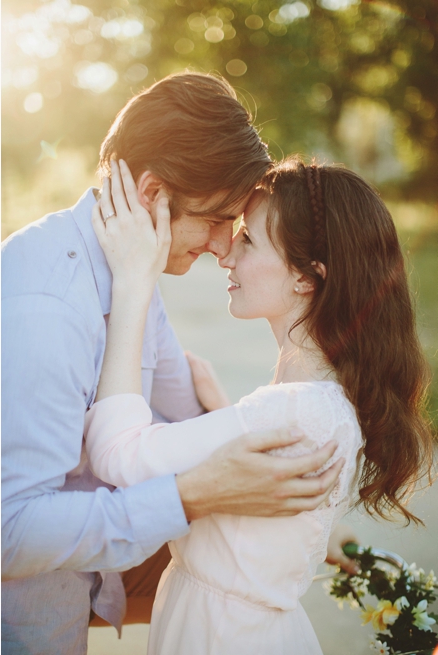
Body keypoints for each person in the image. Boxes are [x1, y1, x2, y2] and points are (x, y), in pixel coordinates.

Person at [1, 72, 349, 654]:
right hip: (30, 604)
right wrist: (193, 494)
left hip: (104, 569)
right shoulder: (47, 307)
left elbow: (184, 411)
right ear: (151, 193)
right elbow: (9, 533)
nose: (221, 247)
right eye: (215, 220)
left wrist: (289, 488)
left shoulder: (132, 264)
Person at [84, 156, 434, 653]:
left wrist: (133, 285)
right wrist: (226, 413)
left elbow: (119, 455)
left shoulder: (296, 412)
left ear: (307, 278)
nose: (226, 254)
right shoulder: (315, 402)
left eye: (248, 239)